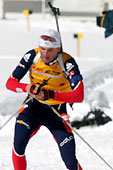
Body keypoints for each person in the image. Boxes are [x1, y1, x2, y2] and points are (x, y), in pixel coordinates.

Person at [6, 29, 84, 170]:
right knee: (18, 146)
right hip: (32, 108)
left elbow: (79, 95)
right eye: (42, 49)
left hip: (56, 112)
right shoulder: (32, 55)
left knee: (70, 161)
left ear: (58, 49)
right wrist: (27, 88)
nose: (45, 54)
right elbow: (10, 83)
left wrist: (51, 95)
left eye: (50, 50)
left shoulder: (67, 62)